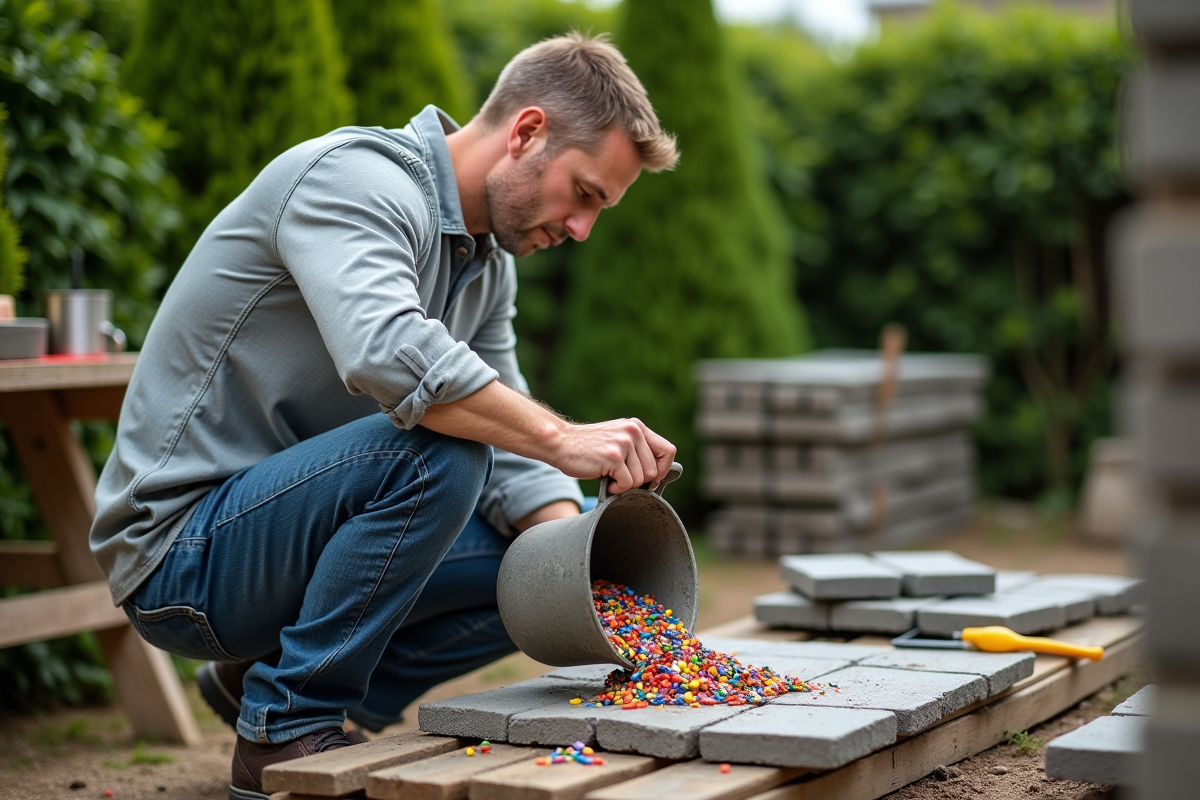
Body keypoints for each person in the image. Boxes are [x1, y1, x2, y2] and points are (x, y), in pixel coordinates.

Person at [89, 32, 679, 800]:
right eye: (585, 194)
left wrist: (577, 562)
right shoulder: (356, 181)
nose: (581, 229)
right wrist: (566, 438)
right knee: (440, 455)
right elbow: (387, 352)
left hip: (277, 547)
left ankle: (264, 687)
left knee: (541, 573)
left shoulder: (486, 266)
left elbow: (510, 437)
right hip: (181, 554)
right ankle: (285, 729)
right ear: (528, 131)